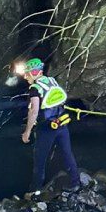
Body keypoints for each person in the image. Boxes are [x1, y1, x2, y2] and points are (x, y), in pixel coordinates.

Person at [18, 57, 81, 192]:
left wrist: (27, 131)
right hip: (62, 124)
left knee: (40, 160)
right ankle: (75, 183)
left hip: (47, 129)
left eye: (27, 73)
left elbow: (34, 111)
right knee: (67, 154)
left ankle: (35, 191)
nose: (25, 76)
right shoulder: (52, 81)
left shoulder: (35, 89)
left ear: (34, 73)